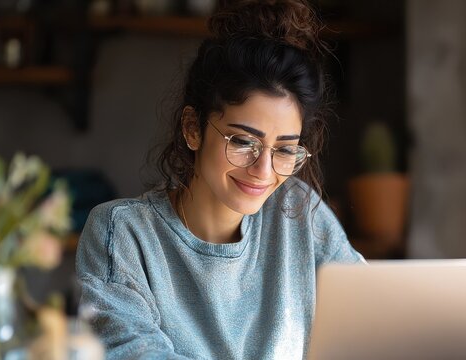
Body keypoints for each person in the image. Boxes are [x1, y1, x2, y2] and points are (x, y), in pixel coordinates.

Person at [75, 0, 365, 358]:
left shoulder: (299, 211)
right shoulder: (123, 234)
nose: (264, 170)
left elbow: (371, 322)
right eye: (243, 142)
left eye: (285, 149)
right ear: (193, 128)